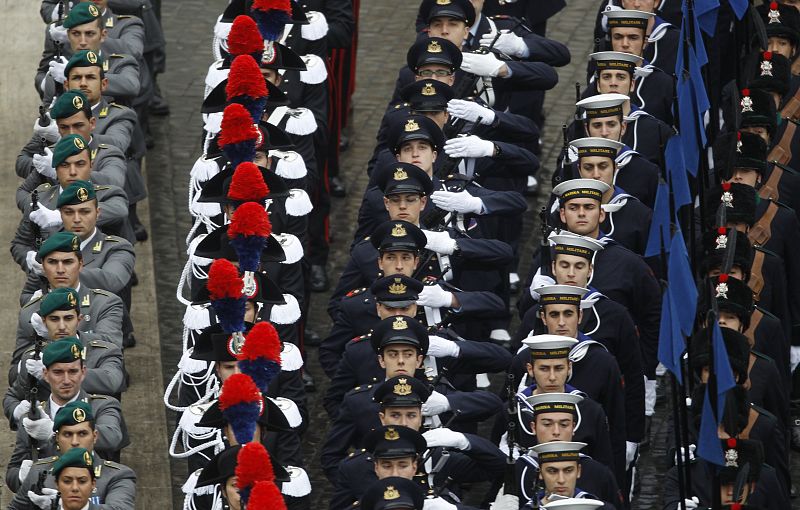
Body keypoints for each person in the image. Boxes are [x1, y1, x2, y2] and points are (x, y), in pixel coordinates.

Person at [320, 316, 503, 481]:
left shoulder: (434, 394)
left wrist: (450, 410)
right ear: (381, 360)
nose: (400, 361)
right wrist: (361, 486)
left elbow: (492, 403)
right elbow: (332, 456)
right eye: (393, 354)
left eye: (408, 354)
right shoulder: (359, 400)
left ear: (419, 360)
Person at [4, 287, 126, 425]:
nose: (62, 326)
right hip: (45, 442)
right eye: (54, 319)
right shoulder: (34, 357)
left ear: (79, 319)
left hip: (95, 432)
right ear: (44, 322)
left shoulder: (103, 350)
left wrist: (50, 377)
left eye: (68, 318)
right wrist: (17, 412)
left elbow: (112, 381)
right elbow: (13, 397)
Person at [7, 339, 129, 473]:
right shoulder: (34, 417)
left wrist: (54, 432)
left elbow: (112, 437)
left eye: (72, 372)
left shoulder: (102, 405)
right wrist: (22, 478)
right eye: (58, 372)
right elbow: (14, 469)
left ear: (83, 372)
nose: (66, 380)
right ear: (45, 375)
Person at [15, 232, 124, 364]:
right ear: (43, 266)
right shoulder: (30, 310)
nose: (60, 270)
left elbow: (112, 347)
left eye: (68, 262)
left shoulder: (104, 303)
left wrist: (58, 338)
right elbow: (15, 371)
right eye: (52, 262)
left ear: (80, 264)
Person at [9, 401, 136, 509]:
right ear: (57, 438)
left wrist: (64, 505)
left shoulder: (117, 475)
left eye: (82, 434)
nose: (75, 442)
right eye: (68, 434)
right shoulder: (39, 470)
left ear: (95, 436)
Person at [513, 393, 623, 509]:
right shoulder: (517, 470)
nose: (556, 432)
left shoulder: (599, 473)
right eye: (547, 424)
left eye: (564, 424)